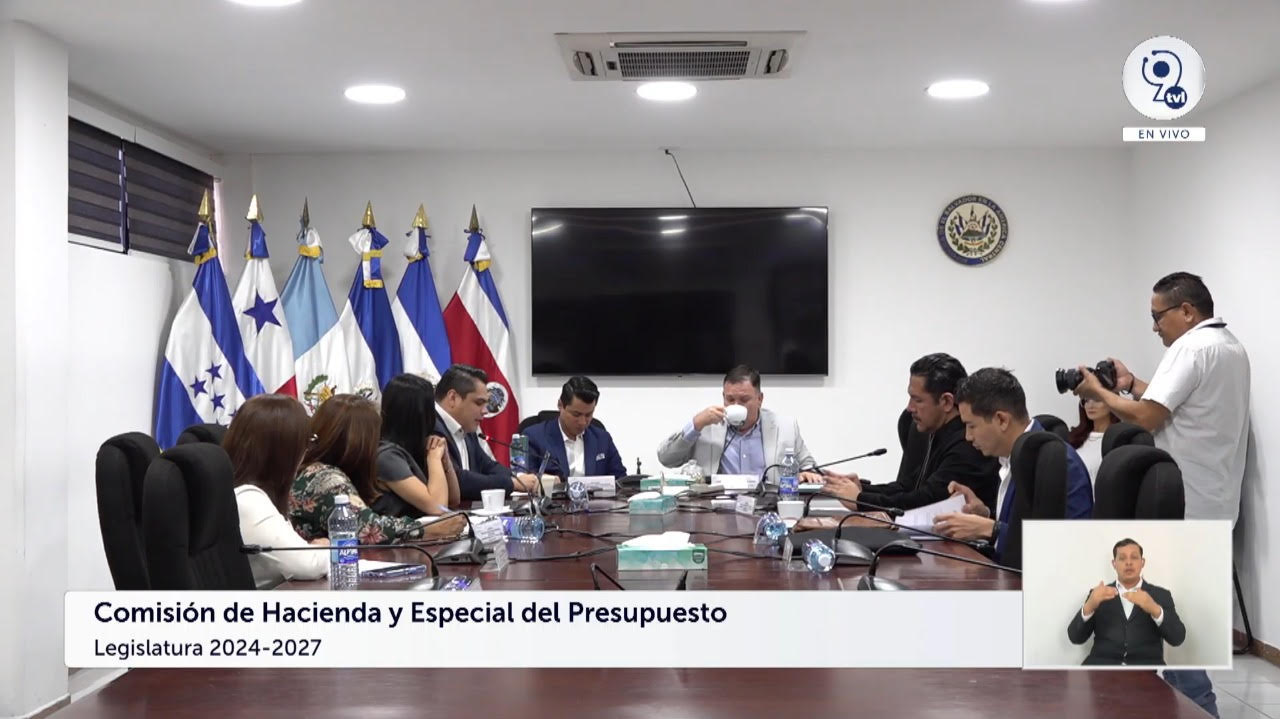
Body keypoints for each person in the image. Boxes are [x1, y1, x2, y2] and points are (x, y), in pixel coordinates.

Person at [1073, 271, 1246, 717]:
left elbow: (1148, 419)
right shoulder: (1229, 347)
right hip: (1215, 499)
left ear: (1186, 311)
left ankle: (1199, 708)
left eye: (1157, 316)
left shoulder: (1189, 347)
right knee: (1173, 618)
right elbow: (1173, 405)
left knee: (1168, 622)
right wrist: (1130, 383)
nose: (1154, 327)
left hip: (1181, 502)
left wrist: (1098, 391)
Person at [932, 368, 1093, 566]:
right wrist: (984, 515)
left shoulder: (1060, 464)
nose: (968, 436)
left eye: (971, 426)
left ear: (1001, 420)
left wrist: (991, 530)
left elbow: (1070, 548)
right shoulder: (1011, 457)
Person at [822, 353, 1000, 513]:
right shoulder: (937, 433)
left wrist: (861, 500)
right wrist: (863, 489)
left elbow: (926, 502)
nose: (909, 408)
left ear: (946, 401)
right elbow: (910, 485)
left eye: (917, 400)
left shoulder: (968, 445)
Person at [290, 394, 465, 543]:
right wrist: (428, 529)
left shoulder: (311, 468)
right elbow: (369, 528)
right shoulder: (326, 479)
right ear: (359, 443)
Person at [225, 394, 328, 586]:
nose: (306, 452)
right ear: (283, 452)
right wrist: (328, 549)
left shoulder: (249, 493)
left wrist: (311, 550)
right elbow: (308, 564)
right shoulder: (248, 500)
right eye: (306, 442)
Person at [656, 364, 821, 483]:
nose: (736, 405)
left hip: (768, 507)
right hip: (716, 509)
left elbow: (809, 467)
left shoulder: (785, 427)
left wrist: (807, 474)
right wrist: (695, 424)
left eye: (744, 400)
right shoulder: (706, 425)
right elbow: (666, 458)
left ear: (759, 399)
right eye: (730, 399)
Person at [1067, 538, 1185, 666]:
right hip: (1101, 667)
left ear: (1142, 562)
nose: (1128, 562)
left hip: (1145, 669)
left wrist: (1155, 609)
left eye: (1134, 557)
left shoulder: (1161, 595)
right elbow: (1075, 637)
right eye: (1122, 558)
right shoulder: (1098, 594)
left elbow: (1177, 639)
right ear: (1114, 564)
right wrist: (1089, 606)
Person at [435, 364, 537, 500]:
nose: (485, 411)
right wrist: (513, 484)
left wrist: (522, 478)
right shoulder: (431, 426)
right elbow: (459, 480)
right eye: (479, 403)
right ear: (453, 398)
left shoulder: (466, 427)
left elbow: (487, 466)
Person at [375, 373, 461, 517]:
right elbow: (438, 508)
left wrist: (445, 460)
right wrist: (434, 459)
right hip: (404, 531)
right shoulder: (386, 456)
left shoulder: (417, 446)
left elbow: (453, 500)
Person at [525, 375, 626, 479]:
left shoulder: (603, 439)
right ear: (560, 405)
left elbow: (621, 480)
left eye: (588, 415)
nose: (582, 422)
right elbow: (526, 480)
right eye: (576, 415)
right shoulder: (534, 437)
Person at [1066, 397, 1118, 485]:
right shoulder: (1075, 437)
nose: (1090, 405)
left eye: (1097, 399)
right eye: (1086, 400)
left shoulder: (1118, 439)